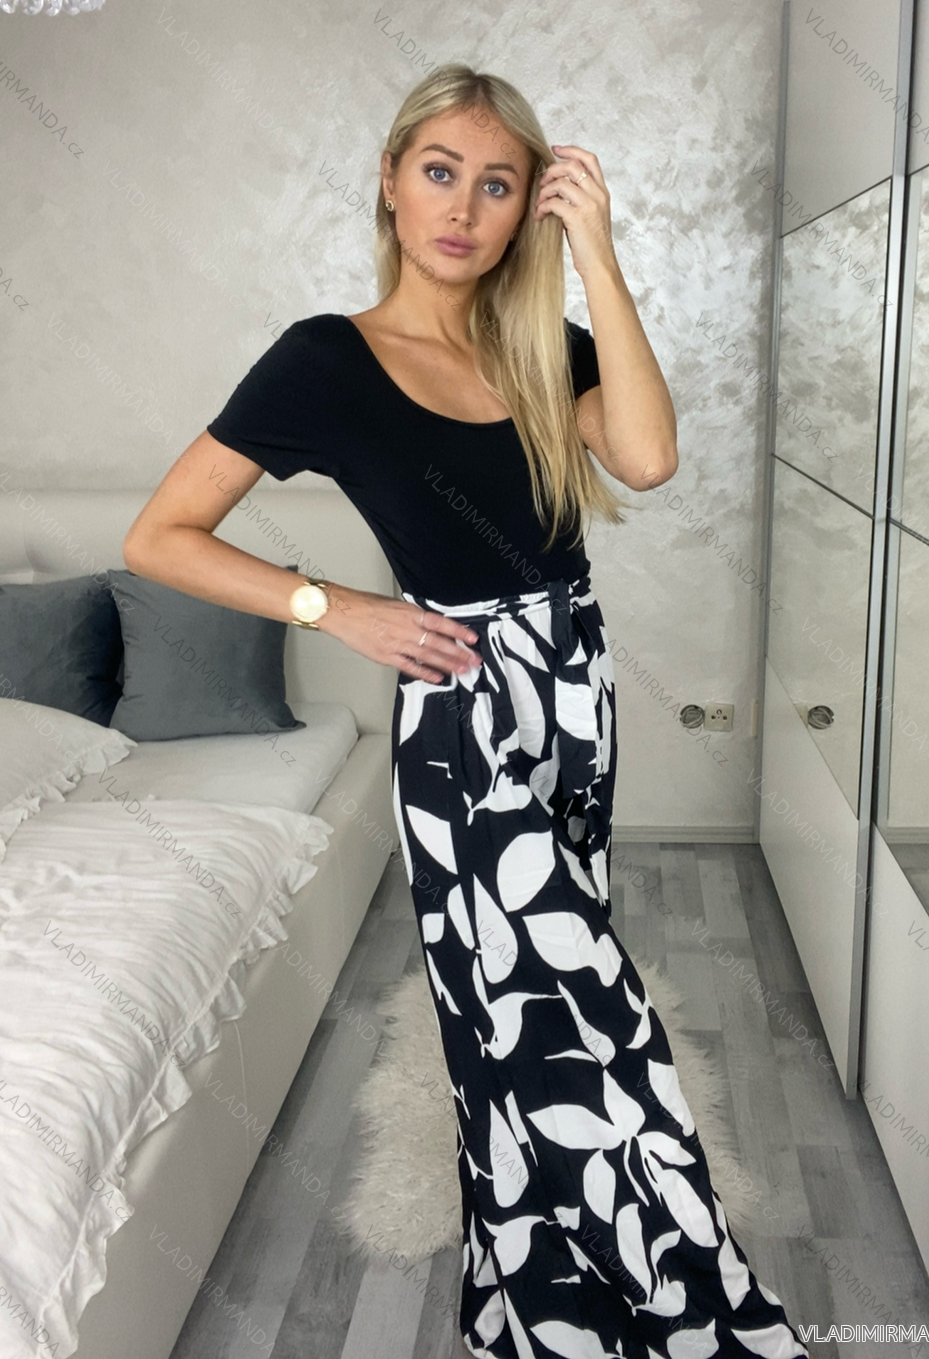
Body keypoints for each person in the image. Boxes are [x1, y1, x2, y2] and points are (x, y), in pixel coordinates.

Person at [123, 61, 810, 1359]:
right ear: (391, 182)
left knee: (512, 1029)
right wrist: (337, 607)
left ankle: (527, 1307)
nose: (463, 206)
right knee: (588, 1025)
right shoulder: (326, 359)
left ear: (526, 206)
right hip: (462, 717)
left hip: (576, 694)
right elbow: (160, 536)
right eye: (440, 171)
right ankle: (697, 1318)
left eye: (500, 184)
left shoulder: (541, 348)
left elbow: (649, 457)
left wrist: (595, 250)